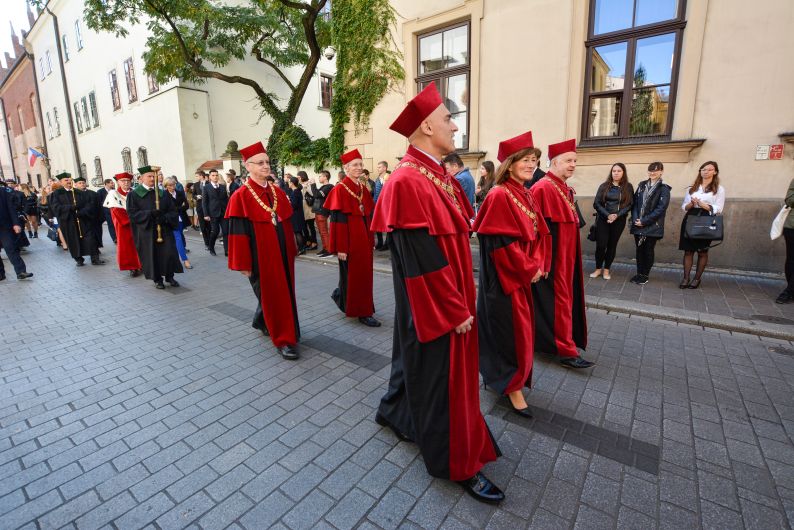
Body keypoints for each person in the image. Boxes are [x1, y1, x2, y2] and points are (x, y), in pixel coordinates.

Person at [371, 83, 503, 504]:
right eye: (448, 118)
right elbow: (420, 258)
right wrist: (452, 310)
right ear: (426, 125)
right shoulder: (409, 179)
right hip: (439, 303)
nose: (454, 124)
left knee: (419, 367)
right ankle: (455, 461)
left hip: (448, 296)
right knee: (443, 380)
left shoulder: (435, 173)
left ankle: (396, 412)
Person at [473, 130, 550, 419]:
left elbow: (541, 233)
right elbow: (499, 244)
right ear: (510, 163)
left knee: (517, 331)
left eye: (535, 160)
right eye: (526, 160)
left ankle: (502, 377)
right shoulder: (498, 194)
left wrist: (539, 263)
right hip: (504, 279)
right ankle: (510, 384)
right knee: (509, 333)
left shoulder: (526, 194)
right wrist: (529, 268)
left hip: (522, 274)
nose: (531, 164)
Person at [226, 141, 300, 360]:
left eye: (267, 162)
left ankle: (264, 320)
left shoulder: (277, 191)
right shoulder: (240, 196)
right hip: (260, 257)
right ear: (248, 166)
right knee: (272, 293)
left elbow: (285, 223)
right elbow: (238, 234)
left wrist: (292, 249)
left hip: (282, 255)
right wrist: (243, 264)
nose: (266, 166)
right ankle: (284, 339)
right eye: (260, 163)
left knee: (281, 293)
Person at [529, 140, 593, 369]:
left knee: (565, 301)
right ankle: (565, 350)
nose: (573, 165)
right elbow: (537, 232)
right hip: (554, 261)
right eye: (568, 161)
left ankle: (562, 343)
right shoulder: (543, 188)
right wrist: (541, 263)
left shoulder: (564, 188)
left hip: (567, 259)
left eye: (575, 161)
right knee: (558, 303)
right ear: (554, 162)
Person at [326, 149, 381, 328]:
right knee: (355, 277)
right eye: (355, 165)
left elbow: (368, 217)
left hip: (363, 242)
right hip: (349, 243)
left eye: (360, 164)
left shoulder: (362, 188)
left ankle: (342, 297)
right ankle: (363, 312)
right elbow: (337, 222)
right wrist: (341, 247)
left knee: (361, 276)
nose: (359, 168)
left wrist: (370, 240)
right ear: (346, 168)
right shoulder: (339, 190)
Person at [126, 165, 184, 289]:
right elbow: (132, 214)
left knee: (169, 253)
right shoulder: (134, 195)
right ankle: (157, 279)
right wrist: (150, 214)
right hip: (147, 231)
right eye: (149, 176)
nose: (153, 179)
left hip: (164, 229)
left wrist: (165, 218)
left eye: (154, 176)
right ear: (141, 178)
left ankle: (170, 276)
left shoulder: (163, 193)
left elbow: (173, 211)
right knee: (153, 256)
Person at [679, 161, 725, 289]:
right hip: (691, 217)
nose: (706, 171)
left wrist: (704, 205)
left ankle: (697, 279)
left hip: (706, 219)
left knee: (702, 252)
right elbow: (684, 206)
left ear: (715, 172)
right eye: (703, 169)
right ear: (700, 171)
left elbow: (719, 208)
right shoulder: (692, 188)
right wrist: (692, 204)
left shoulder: (719, 189)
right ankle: (686, 278)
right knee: (688, 251)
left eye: (710, 169)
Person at [48, 173, 104, 266]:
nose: (69, 181)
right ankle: (78, 259)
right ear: (61, 182)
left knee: (90, 238)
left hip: (83, 219)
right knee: (73, 240)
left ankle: (95, 258)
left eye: (70, 180)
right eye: (66, 180)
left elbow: (89, 205)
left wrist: (82, 212)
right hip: (68, 220)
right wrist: (71, 207)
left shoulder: (79, 192)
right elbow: (56, 207)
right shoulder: (56, 194)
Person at [590, 163, 634, 280]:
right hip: (603, 220)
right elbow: (596, 203)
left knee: (611, 246)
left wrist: (617, 215)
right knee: (601, 245)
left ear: (623, 172)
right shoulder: (604, 186)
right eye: (614, 171)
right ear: (611, 172)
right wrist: (608, 215)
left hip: (619, 221)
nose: (616, 173)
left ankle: (606, 270)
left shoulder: (628, 187)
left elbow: (630, 204)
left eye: (619, 171)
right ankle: (598, 268)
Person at [630, 162, 671, 285]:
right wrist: (636, 219)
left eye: (655, 170)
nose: (652, 173)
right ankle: (638, 273)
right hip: (638, 223)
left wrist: (645, 221)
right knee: (639, 250)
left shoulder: (664, 189)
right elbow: (635, 203)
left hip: (653, 225)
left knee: (648, 250)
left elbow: (661, 208)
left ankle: (645, 275)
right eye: (650, 170)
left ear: (661, 171)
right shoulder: (642, 185)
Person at [104, 172, 143, 277]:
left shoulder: (136, 192)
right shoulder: (113, 194)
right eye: (123, 181)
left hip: (139, 224)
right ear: (118, 182)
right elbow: (116, 210)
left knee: (141, 244)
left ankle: (142, 264)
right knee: (128, 246)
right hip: (124, 225)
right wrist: (135, 219)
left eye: (128, 181)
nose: (126, 183)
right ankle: (132, 267)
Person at [0, 183, 33, 281]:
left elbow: (11, 208)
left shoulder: (3, 192)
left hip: (4, 226)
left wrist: (16, 223)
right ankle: (1, 273)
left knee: (11, 248)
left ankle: (20, 272)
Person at [165, 177, 192, 269]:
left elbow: (187, 205)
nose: (172, 187)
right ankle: (185, 260)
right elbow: (165, 209)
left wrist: (175, 209)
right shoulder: (164, 195)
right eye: (170, 185)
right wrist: (179, 208)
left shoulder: (180, 193)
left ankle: (176, 256)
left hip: (181, 219)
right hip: (170, 221)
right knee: (178, 238)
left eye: (173, 185)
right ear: (166, 186)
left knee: (178, 238)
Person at [74, 178, 105, 250]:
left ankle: (96, 249)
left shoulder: (93, 193)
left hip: (95, 219)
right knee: (87, 237)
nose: (82, 184)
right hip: (82, 219)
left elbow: (99, 206)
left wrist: (101, 218)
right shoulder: (74, 195)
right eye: (80, 183)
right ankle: (91, 250)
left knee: (97, 235)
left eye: (83, 182)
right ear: (75, 184)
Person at [203, 169, 229, 256]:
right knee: (215, 232)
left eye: (216, 175)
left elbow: (226, 200)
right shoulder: (206, 188)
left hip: (223, 212)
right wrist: (206, 214)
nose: (215, 177)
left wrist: (228, 210)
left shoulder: (222, 186)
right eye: (213, 175)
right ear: (210, 177)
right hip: (213, 213)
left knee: (226, 231)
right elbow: (204, 202)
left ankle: (227, 250)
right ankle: (211, 247)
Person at [311, 170, 334, 257]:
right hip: (318, 211)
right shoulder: (323, 187)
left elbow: (317, 195)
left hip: (322, 211)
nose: (319, 178)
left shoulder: (329, 187)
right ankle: (325, 248)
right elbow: (315, 195)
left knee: (324, 231)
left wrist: (313, 184)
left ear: (325, 177)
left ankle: (329, 250)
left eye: (320, 176)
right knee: (321, 231)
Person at [298, 171, 317, 251]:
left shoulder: (308, 183)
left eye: (298, 177)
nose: (297, 178)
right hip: (302, 208)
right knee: (304, 227)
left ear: (302, 176)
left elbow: (312, 194)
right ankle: (308, 241)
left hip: (308, 208)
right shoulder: (299, 185)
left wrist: (306, 187)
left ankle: (314, 243)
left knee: (311, 226)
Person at [372, 161, 389, 251]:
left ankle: (387, 244)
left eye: (379, 167)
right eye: (377, 167)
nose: (378, 168)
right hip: (377, 205)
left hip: (385, 205)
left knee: (387, 225)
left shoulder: (389, 177)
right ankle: (380, 242)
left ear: (385, 168)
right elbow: (375, 193)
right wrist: (374, 204)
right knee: (377, 224)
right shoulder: (377, 179)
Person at [287, 176, 307, 255]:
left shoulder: (295, 192)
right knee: (298, 232)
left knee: (297, 232)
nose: (288, 183)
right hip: (298, 214)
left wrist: (288, 201)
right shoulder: (297, 191)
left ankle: (301, 248)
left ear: (292, 183)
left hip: (296, 215)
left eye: (289, 182)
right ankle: (301, 248)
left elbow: (294, 205)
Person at [192, 171, 211, 248]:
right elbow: (193, 195)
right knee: (202, 226)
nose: (196, 178)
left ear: (201, 176)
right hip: (199, 207)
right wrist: (196, 197)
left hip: (208, 208)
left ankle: (210, 241)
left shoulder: (208, 184)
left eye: (197, 176)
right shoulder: (196, 184)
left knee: (209, 226)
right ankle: (206, 243)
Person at [96, 179, 117, 244]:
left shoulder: (114, 191)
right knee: (111, 224)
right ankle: (114, 238)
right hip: (105, 211)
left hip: (114, 210)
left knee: (115, 224)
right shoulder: (100, 191)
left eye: (113, 183)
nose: (113, 184)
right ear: (106, 184)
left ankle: (117, 236)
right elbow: (99, 202)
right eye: (111, 183)